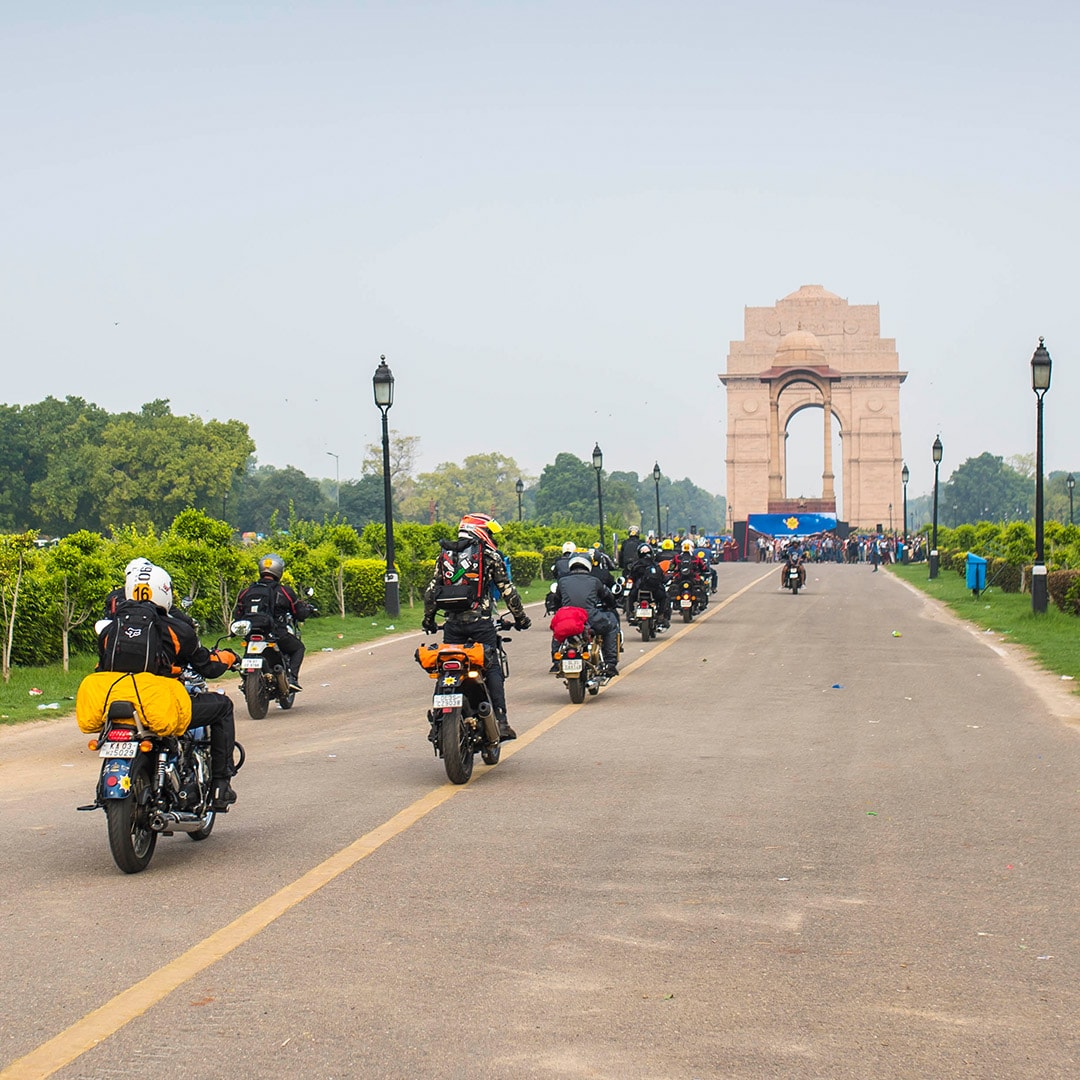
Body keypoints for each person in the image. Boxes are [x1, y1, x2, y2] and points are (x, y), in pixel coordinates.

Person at [98, 562, 241, 811]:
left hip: (120, 706)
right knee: (223, 707)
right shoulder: (177, 630)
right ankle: (220, 784)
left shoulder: (110, 630)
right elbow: (207, 666)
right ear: (165, 591)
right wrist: (227, 658)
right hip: (160, 705)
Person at [422, 514, 531, 740]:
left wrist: (429, 620)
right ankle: (500, 720)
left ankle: (437, 723)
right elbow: (508, 591)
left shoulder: (444, 556)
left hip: (452, 627)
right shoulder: (490, 556)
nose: (491, 536)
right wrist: (521, 619)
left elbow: (431, 593)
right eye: (489, 531)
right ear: (479, 531)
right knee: (492, 668)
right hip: (481, 626)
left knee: (446, 669)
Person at [234, 554, 314, 691]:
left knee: (246, 652)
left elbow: (238, 614)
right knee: (298, 648)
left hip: (251, 634)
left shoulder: (246, 591)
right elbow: (298, 612)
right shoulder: (284, 591)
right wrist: (307, 611)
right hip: (276, 634)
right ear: (279, 571)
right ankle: (292, 678)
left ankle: (246, 679)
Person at [552, 553, 620, 676]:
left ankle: (556, 661)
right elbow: (607, 596)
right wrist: (612, 604)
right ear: (588, 565)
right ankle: (610, 663)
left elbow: (556, 600)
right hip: (590, 617)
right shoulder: (595, 581)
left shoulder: (562, 581)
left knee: (560, 628)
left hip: (569, 616)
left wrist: (559, 611)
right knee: (611, 626)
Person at [627, 542, 672, 628]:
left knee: (631, 596)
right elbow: (662, 578)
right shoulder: (655, 565)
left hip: (639, 590)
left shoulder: (636, 565)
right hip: (655, 590)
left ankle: (631, 614)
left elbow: (631, 577)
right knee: (664, 597)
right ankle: (660, 615)